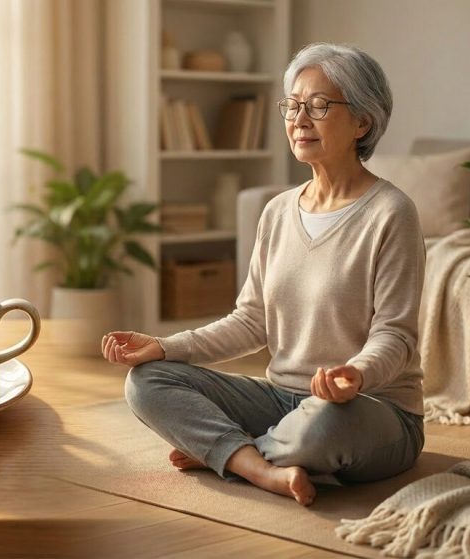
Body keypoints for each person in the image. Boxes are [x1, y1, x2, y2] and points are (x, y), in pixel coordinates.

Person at [102, 43, 425, 506]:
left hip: (370, 410)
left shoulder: (391, 212)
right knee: (147, 381)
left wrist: (356, 373)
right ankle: (259, 466)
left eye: (318, 106)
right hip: (281, 399)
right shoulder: (277, 212)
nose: (298, 119)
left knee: (324, 424)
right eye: (292, 106)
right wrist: (165, 346)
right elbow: (251, 322)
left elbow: (396, 335)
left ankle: (228, 451)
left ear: (362, 122)